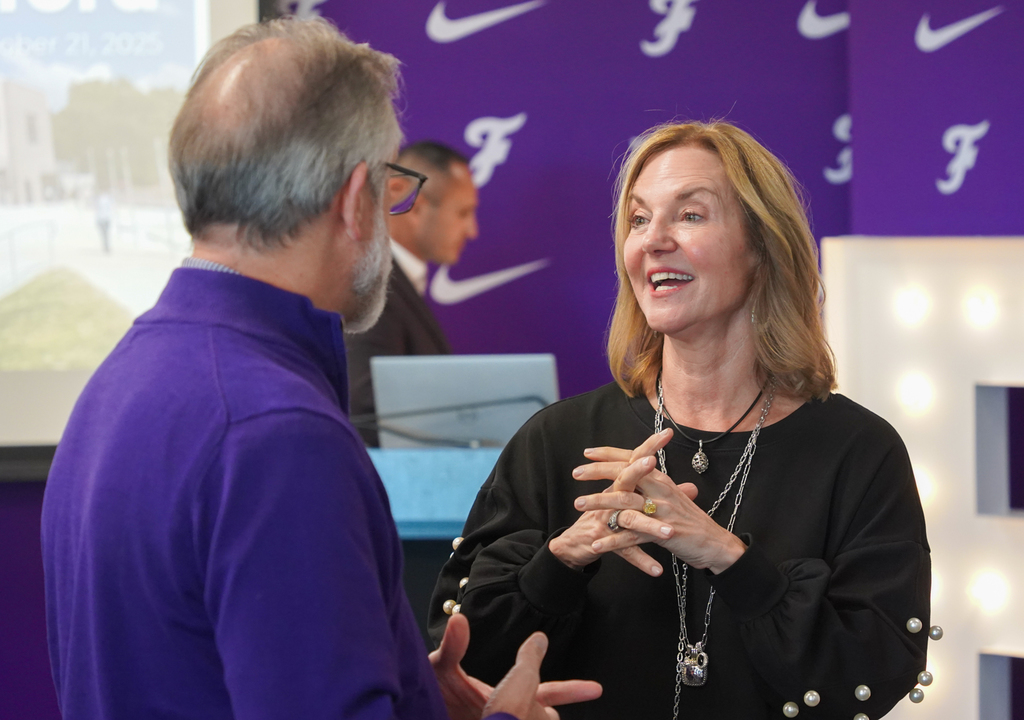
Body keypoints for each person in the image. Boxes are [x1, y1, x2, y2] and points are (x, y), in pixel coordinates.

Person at [40, 18, 598, 720]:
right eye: (392, 186)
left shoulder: (117, 379)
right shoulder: (276, 433)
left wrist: (404, 686)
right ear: (353, 198)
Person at [429, 121, 931, 719]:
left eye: (690, 215)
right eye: (639, 220)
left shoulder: (858, 451)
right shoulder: (556, 440)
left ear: (762, 247)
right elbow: (460, 668)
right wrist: (559, 562)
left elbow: (870, 678)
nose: (653, 240)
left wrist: (728, 558)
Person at [345, 141, 478, 446]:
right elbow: (367, 409)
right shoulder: (373, 285)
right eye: (463, 213)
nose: (472, 231)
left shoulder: (394, 284)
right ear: (415, 206)